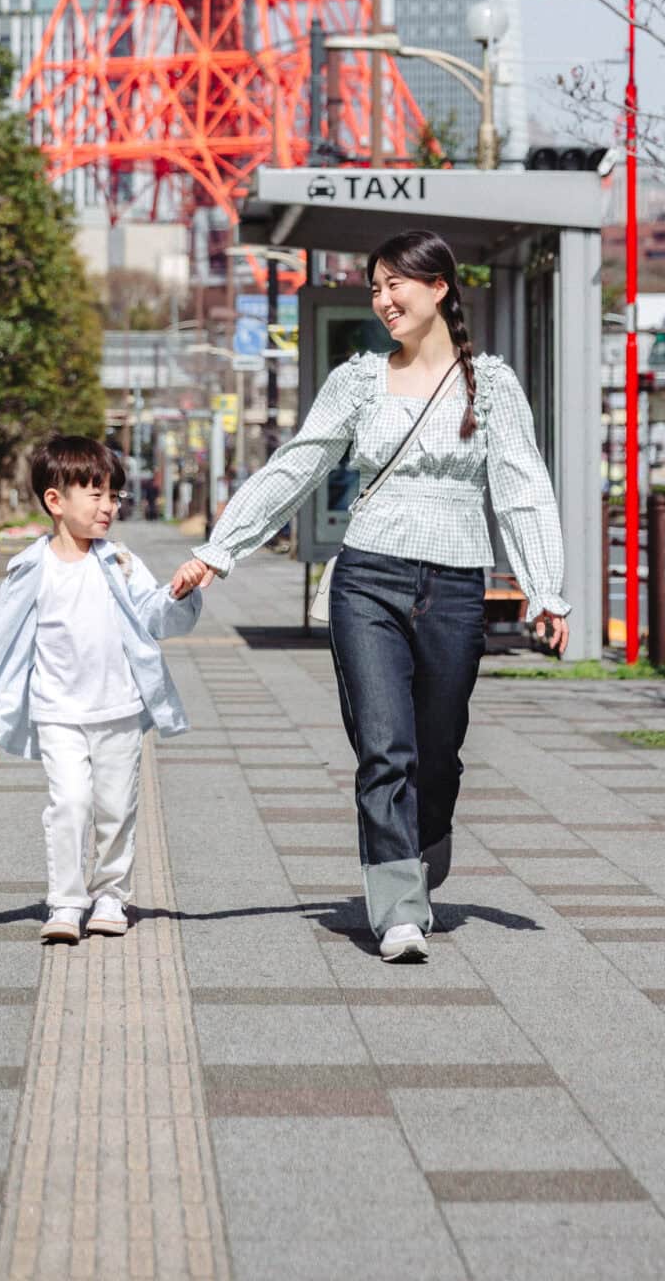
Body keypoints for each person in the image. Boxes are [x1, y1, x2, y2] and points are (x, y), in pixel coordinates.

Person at [170, 227, 569, 964]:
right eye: (374, 288)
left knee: (438, 751)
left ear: (440, 288)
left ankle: (420, 846)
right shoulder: (358, 380)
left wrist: (547, 590)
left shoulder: (495, 386)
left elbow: (522, 491)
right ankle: (397, 913)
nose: (383, 300)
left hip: (453, 586)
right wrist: (218, 551)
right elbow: (298, 467)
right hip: (368, 580)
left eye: (395, 285)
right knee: (385, 748)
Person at [0, 435, 201, 944]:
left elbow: (154, 616)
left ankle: (110, 896)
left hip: (118, 711)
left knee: (116, 809)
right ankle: (65, 901)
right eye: (95, 495)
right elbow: (4, 650)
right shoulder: (31, 569)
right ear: (55, 501)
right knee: (70, 804)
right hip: (57, 713)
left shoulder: (121, 562)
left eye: (113, 496)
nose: (108, 507)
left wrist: (178, 593)